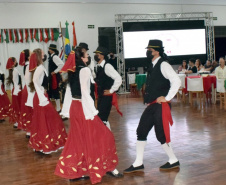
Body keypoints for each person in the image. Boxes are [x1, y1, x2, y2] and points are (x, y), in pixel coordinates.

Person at [55, 47, 123, 184]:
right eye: (86, 55)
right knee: (104, 135)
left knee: (78, 139)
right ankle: (107, 167)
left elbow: (69, 92)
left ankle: (75, 172)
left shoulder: (73, 70)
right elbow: (85, 92)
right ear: (81, 58)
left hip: (76, 107)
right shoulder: (84, 70)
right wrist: (92, 112)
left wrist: (67, 110)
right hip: (83, 108)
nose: (88, 57)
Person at [124, 40, 181, 173]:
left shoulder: (164, 64)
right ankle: (138, 163)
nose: (148, 51)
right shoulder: (153, 64)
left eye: (150, 49)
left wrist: (167, 98)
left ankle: (173, 160)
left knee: (161, 134)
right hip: (153, 106)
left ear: (156, 51)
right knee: (141, 131)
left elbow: (176, 81)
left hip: (161, 106)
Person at [28, 49, 67, 154]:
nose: (45, 55)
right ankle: (43, 145)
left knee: (44, 120)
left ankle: (41, 145)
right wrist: (42, 97)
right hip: (41, 98)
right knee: (46, 119)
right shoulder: (39, 69)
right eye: (43, 54)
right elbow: (36, 83)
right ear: (39, 57)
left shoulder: (41, 68)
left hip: (42, 96)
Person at [94, 46, 122, 130]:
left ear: (102, 56)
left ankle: (106, 137)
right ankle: (108, 136)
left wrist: (112, 90)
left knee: (102, 117)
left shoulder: (107, 66)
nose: (95, 55)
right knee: (102, 117)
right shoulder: (97, 66)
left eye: (97, 54)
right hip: (101, 96)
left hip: (107, 96)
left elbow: (118, 78)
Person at [18, 49, 34, 138]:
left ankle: (29, 131)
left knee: (28, 111)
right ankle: (30, 131)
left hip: (27, 89)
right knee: (30, 111)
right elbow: (28, 80)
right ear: (28, 57)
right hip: (29, 90)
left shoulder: (26, 65)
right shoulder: (28, 66)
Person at [47, 44, 64, 113]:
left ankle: (58, 108)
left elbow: (61, 64)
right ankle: (54, 108)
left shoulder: (55, 57)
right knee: (51, 92)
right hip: (51, 77)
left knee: (55, 91)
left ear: (51, 50)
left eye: (49, 49)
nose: (48, 50)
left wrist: (55, 71)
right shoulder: (51, 57)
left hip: (54, 78)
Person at [6, 57, 22, 128]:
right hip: (17, 90)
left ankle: (17, 122)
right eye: (15, 60)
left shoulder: (13, 70)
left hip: (15, 90)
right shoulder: (15, 70)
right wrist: (19, 87)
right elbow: (16, 81)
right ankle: (17, 122)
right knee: (18, 107)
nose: (16, 61)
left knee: (17, 106)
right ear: (13, 62)